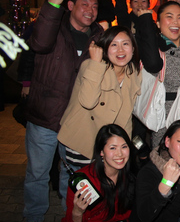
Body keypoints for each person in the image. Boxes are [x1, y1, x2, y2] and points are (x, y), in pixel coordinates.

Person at [24, 0, 103, 222]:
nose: (90, 11)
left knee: (70, 172)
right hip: (45, 116)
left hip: (77, 119)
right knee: (38, 172)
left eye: (94, 6)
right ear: (70, 6)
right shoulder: (53, 27)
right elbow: (38, 43)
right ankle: (34, 218)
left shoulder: (98, 35)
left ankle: (71, 215)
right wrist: (51, 7)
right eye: (84, 5)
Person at [57, 26, 141, 195]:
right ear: (104, 48)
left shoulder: (133, 72)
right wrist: (96, 62)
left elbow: (126, 117)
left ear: (133, 48)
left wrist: (126, 147)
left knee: (103, 190)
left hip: (108, 145)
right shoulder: (91, 65)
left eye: (125, 44)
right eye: (113, 45)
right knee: (77, 191)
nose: (120, 50)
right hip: (81, 140)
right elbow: (88, 102)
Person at [135, 1, 180, 148]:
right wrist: (145, 21)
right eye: (169, 17)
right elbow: (152, 64)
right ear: (157, 23)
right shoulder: (154, 50)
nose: (175, 21)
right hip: (165, 125)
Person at [54, 124, 134, 222]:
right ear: (101, 152)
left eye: (124, 147)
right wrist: (77, 212)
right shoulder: (82, 180)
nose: (120, 154)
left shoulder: (131, 175)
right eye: (113, 148)